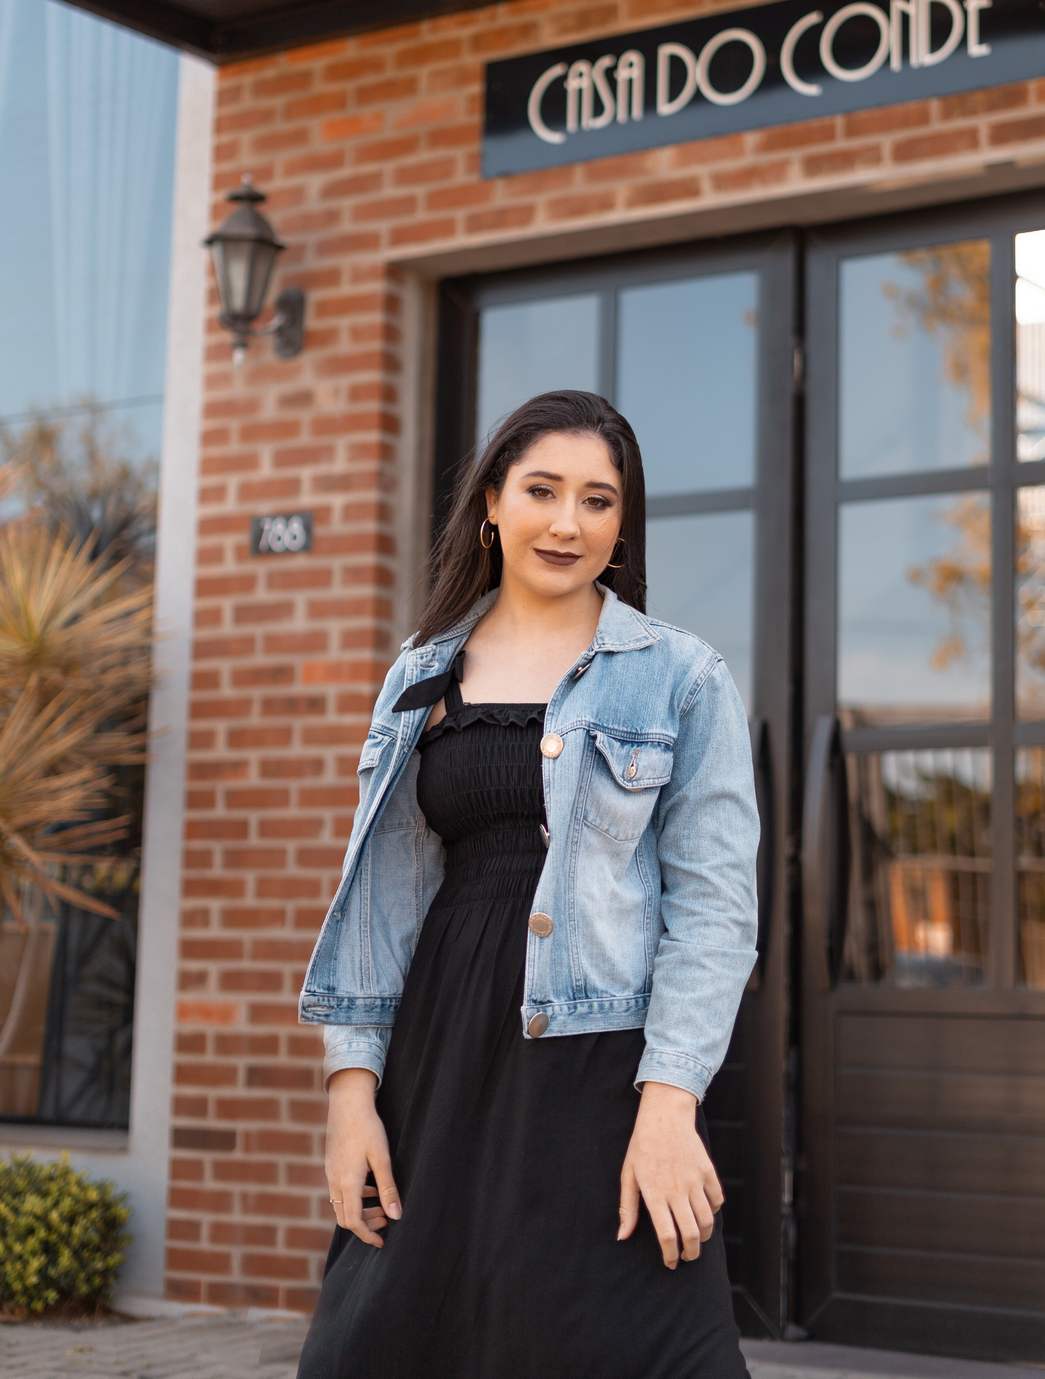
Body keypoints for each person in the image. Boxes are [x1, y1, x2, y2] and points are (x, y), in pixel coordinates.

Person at [296, 390, 759, 1379]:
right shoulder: (421, 678)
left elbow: (715, 909)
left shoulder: (680, 677)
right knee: (382, 1341)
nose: (568, 522)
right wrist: (351, 1090)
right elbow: (380, 900)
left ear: (622, 525)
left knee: (602, 1339)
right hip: (440, 1054)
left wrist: (670, 1105)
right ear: (491, 505)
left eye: (598, 500)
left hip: (601, 1063)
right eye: (542, 491)